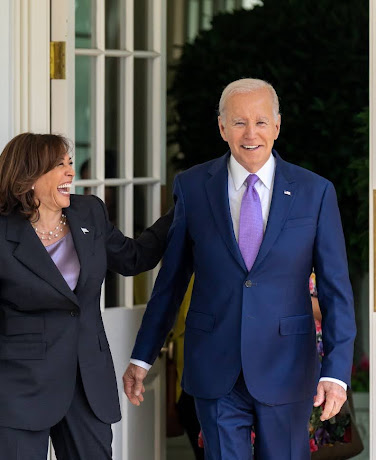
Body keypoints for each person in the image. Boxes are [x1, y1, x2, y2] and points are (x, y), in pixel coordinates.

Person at [123, 78, 356, 459]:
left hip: (287, 367)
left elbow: (336, 293)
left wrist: (335, 372)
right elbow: (171, 281)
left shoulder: (315, 192)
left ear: (277, 127)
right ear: (222, 128)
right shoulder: (193, 187)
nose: (251, 134)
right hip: (215, 367)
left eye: (261, 122)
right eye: (239, 122)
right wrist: (141, 357)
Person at [0, 133, 173, 460]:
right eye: (59, 165)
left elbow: (134, 258)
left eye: (70, 163)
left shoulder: (90, 214)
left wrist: (185, 211)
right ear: (29, 177)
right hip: (18, 391)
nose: (70, 172)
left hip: (87, 386)